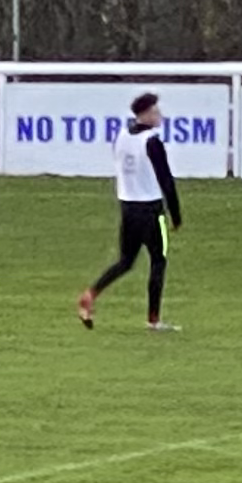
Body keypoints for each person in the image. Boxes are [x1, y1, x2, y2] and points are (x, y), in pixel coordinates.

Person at [75, 92, 185, 334]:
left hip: (128, 208)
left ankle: (91, 294)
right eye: (156, 112)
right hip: (151, 209)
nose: (160, 116)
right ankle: (154, 319)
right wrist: (176, 214)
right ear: (145, 115)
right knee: (158, 261)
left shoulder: (123, 136)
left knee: (125, 261)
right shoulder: (152, 141)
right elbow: (166, 180)